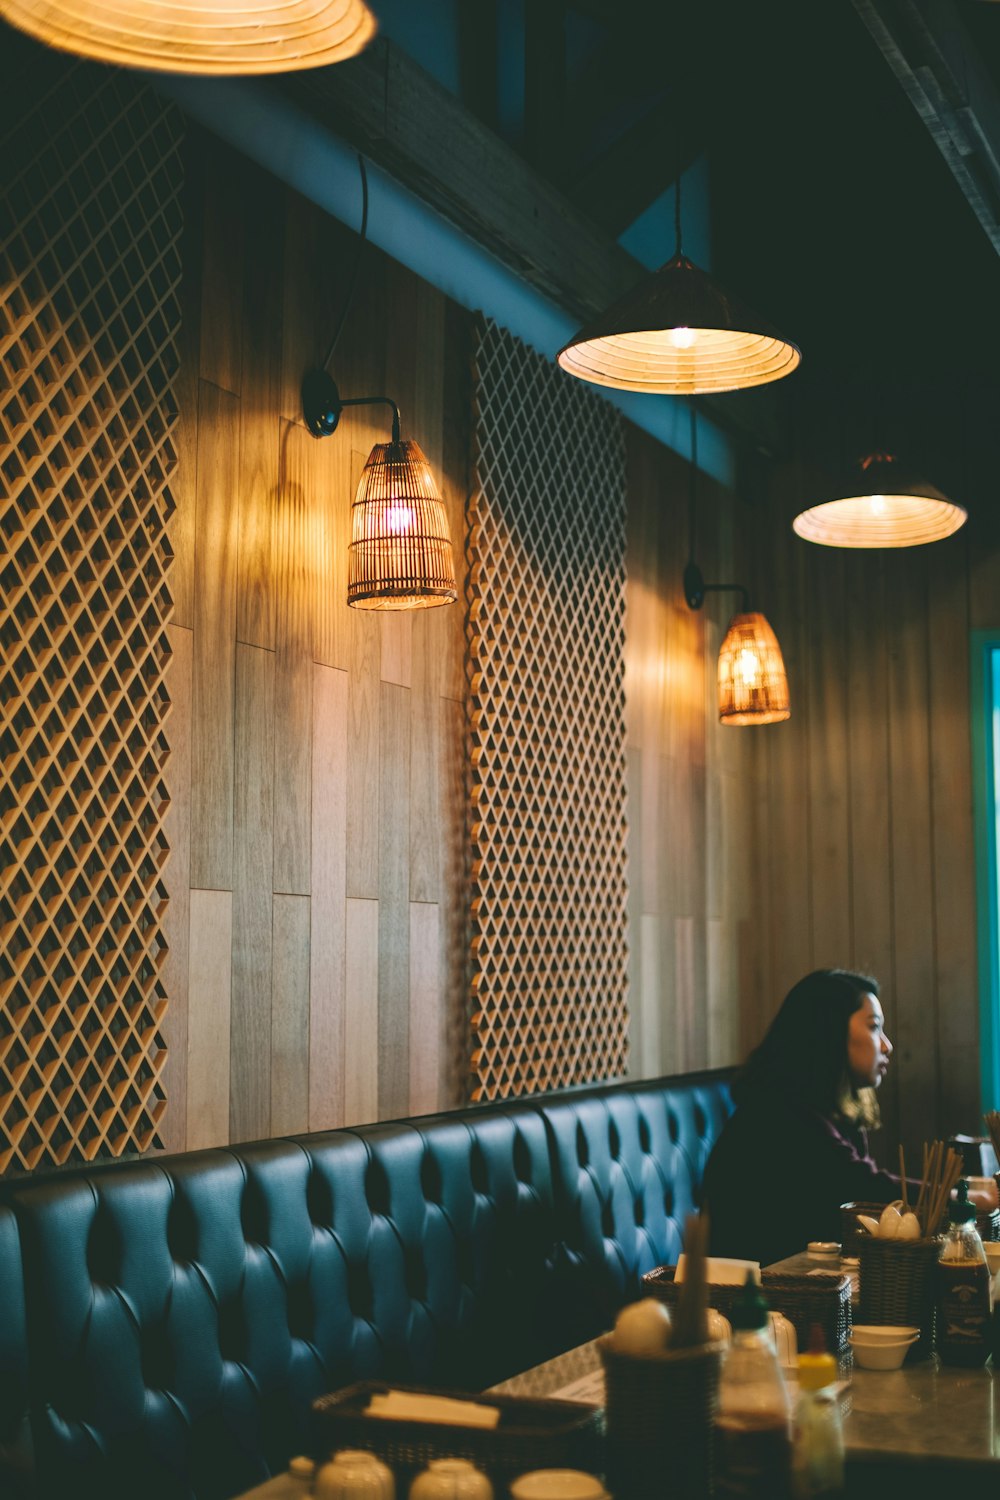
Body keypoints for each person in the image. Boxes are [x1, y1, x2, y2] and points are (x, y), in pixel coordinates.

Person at [701, 968, 990, 1267]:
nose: (886, 1045)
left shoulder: (819, 1107)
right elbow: (864, 1187)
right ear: (830, 1032)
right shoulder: (778, 1113)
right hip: (750, 1297)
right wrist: (963, 1199)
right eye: (874, 1027)